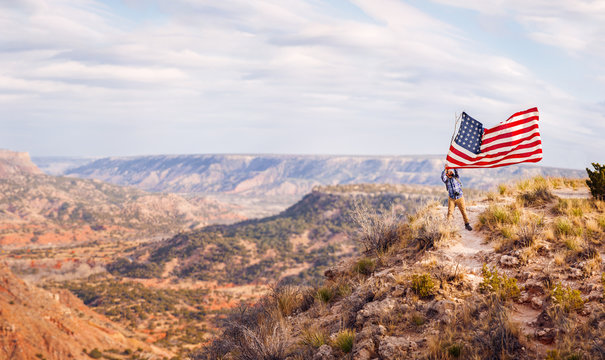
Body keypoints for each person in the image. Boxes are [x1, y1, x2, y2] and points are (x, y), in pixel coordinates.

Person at [441, 167, 472, 231]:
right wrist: (445, 169)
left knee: (463, 211)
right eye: (449, 171)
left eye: (451, 171)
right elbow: (442, 177)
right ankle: (448, 227)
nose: (451, 172)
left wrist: (454, 166)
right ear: (447, 174)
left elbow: (457, 171)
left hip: (460, 197)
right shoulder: (446, 181)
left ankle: (467, 224)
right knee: (450, 213)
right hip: (451, 198)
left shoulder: (456, 177)